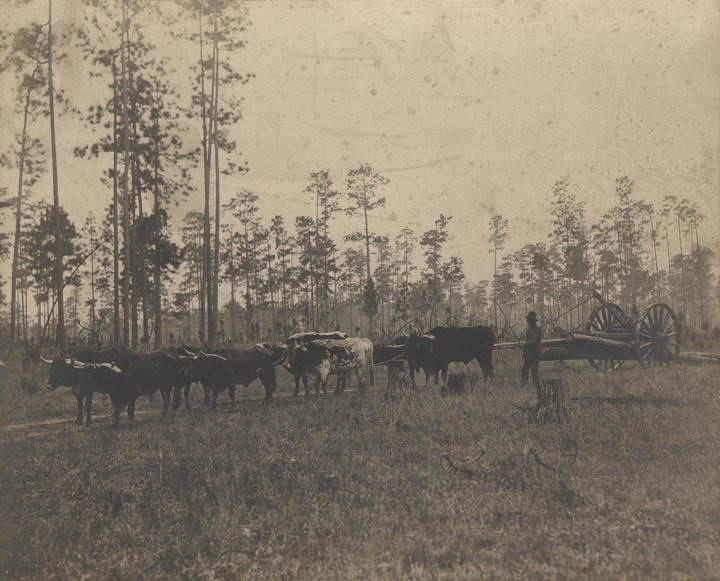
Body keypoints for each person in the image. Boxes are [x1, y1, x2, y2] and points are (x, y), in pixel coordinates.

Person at [521, 311, 542, 398]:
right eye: (527, 320)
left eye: (528, 320)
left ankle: (536, 388)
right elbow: (528, 341)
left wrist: (526, 344)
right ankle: (523, 386)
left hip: (534, 353)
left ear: (532, 321)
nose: (527, 321)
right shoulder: (529, 329)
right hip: (528, 353)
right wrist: (524, 349)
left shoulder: (537, 329)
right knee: (524, 370)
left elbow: (535, 340)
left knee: (534, 371)